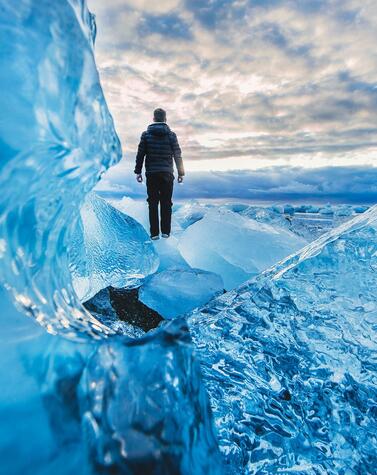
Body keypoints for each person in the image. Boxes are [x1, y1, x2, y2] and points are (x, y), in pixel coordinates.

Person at [134, 108, 185, 240]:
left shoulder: (146, 135)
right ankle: (166, 232)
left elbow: (140, 154)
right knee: (166, 202)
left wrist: (138, 171)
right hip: (167, 173)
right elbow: (177, 155)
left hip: (151, 173)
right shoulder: (171, 135)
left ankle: (154, 233)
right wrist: (181, 173)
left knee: (152, 203)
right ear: (165, 119)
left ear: (153, 118)